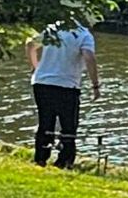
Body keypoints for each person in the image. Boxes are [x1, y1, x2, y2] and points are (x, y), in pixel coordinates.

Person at [25, 23, 99, 168]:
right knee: (68, 125)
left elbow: (30, 44)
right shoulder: (84, 34)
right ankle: (64, 162)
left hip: (42, 82)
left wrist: (35, 67)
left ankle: (40, 158)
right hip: (67, 85)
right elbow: (89, 57)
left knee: (45, 121)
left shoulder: (52, 29)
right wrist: (95, 85)